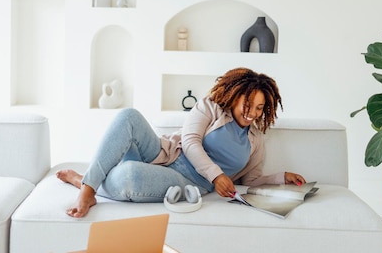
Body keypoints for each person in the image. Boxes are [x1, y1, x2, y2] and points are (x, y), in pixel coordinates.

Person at [56, 67, 306, 218]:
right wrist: (217, 175)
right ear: (235, 96)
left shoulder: (255, 140)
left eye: (259, 108)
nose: (252, 112)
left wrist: (281, 177)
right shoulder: (210, 107)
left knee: (128, 176)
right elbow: (189, 142)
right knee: (128, 116)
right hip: (167, 154)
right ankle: (88, 190)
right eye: (247, 104)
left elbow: (250, 181)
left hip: (187, 182)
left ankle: (84, 180)